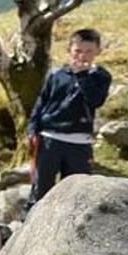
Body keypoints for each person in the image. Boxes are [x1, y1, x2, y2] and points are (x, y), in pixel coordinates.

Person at [26, 28, 112, 208]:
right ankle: (29, 227)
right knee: (41, 190)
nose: (83, 56)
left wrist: (82, 76)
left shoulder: (101, 77)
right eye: (78, 51)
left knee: (77, 193)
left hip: (80, 143)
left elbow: (95, 101)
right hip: (49, 139)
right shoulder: (56, 74)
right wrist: (32, 129)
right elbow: (41, 102)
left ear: (98, 51)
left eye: (89, 51)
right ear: (69, 50)